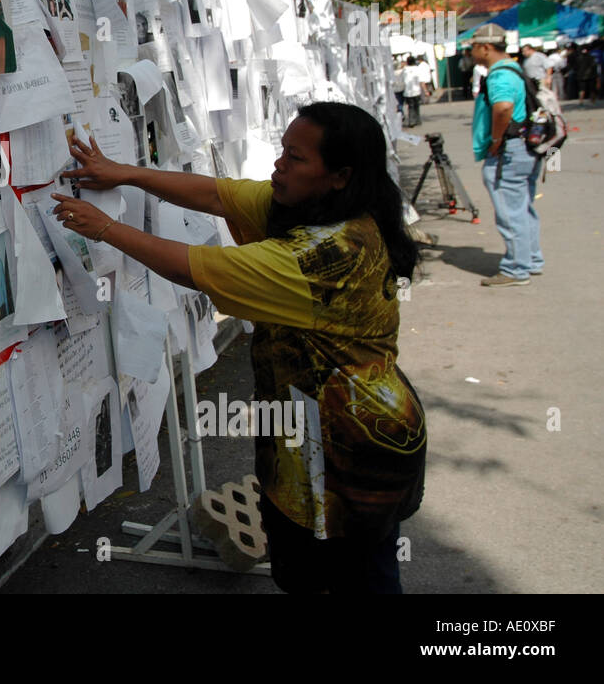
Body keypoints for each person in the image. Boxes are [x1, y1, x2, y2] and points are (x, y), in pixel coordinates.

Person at [51, 102, 427, 593]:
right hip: (306, 434)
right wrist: (122, 173)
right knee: (320, 570)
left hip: (351, 446)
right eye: (283, 151)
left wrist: (104, 227)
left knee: (351, 578)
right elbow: (214, 194)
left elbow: (195, 267)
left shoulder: (330, 253)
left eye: (295, 157)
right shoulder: (309, 205)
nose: (279, 165)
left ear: (339, 175)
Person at [469, 24, 543, 286]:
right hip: (524, 147)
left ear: (486, 47)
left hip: (509, 150)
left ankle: (516, 269)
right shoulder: (514, 69)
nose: (470, 52)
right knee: (523, 207)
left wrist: (496, 140)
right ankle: (531, 259)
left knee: (510, 211)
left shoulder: (499, 74)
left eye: (473, 46)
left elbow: (503, 108)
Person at [401, 55, 423, 127]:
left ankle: (411, 121)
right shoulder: (417, 69)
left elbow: (402, 80)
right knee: (417, 106)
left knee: (410, 106)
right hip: (416, 91)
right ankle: (418, 120)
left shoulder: (404, 69)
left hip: (408, 92)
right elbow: (420, 80)